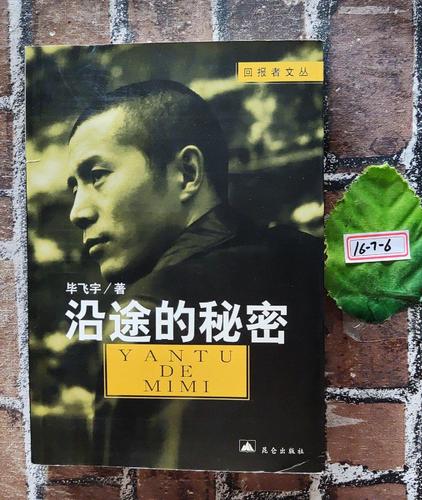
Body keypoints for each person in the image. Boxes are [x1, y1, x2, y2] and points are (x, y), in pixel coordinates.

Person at [67, 80, 324, 471]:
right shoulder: (311, 258)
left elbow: (135, 487)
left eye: (97, 175)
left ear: (187, 173)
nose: (78, 212)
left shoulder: (149, 309)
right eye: (74, 188)